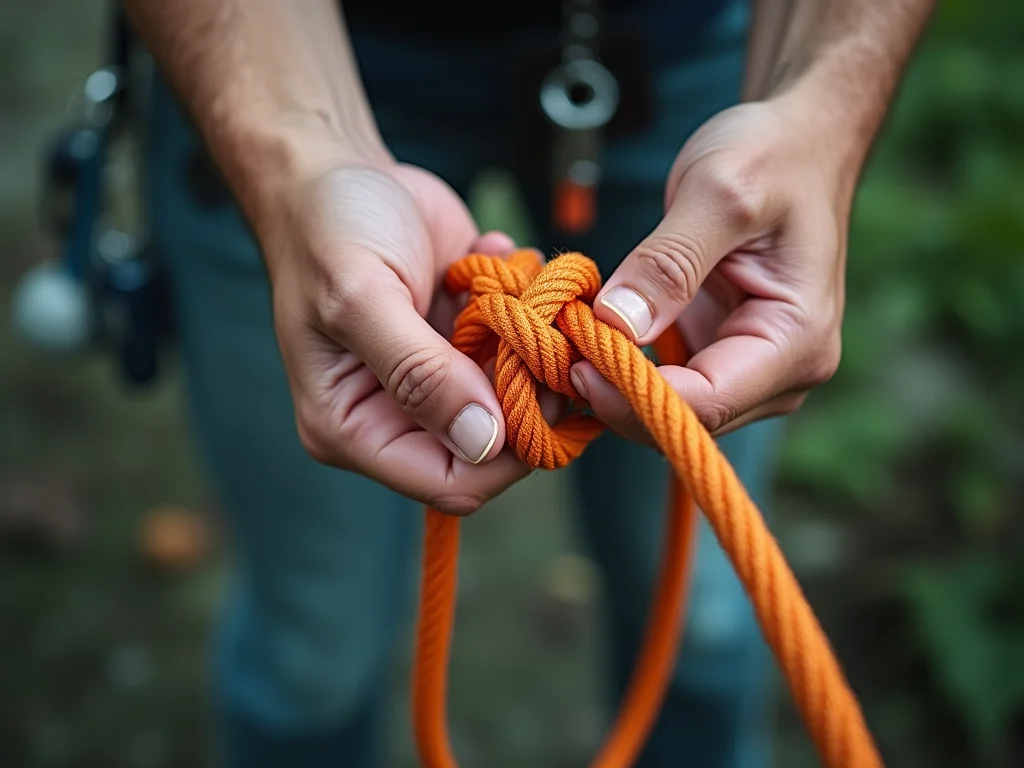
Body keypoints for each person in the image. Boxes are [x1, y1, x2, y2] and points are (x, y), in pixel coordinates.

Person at [122, 1, 934, 765]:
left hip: (685, 50)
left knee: (701, 620)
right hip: (280, 44)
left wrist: (820, 105)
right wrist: (291, 154)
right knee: (312, 651)